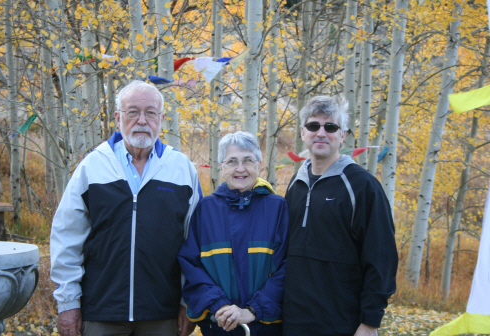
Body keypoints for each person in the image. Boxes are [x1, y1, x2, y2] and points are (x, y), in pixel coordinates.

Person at [50, 80, 201, 336]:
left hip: (162, 314)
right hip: (101, 312)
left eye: (151, 112)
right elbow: (67, 238)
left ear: (161, 119)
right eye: (133, 112)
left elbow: (195, 242)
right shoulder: (93, 166)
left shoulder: (182, 169)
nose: (142, 120)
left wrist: (189, 301)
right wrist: (67, 303)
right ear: (118, 118)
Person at [282, 96, 398, 336]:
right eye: (313, 126)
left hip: (343, 323)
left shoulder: (362, 186)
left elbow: (382, 257)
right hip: (292, 320)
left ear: (342, 135)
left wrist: (369, 322)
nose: (321, 133)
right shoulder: (296, 184)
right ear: (303, 133)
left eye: (331, 127)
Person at [178, 131, 289, 336]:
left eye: (248, 160)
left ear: (258, 165)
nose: (240, 169)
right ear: (221, 167)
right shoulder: (206, 209)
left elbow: (287, 266)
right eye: (232, 161)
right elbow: (191, 265)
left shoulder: (277, 207)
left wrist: (253, 310)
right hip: (217, 325)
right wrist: (219, 306)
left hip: (266, 326)